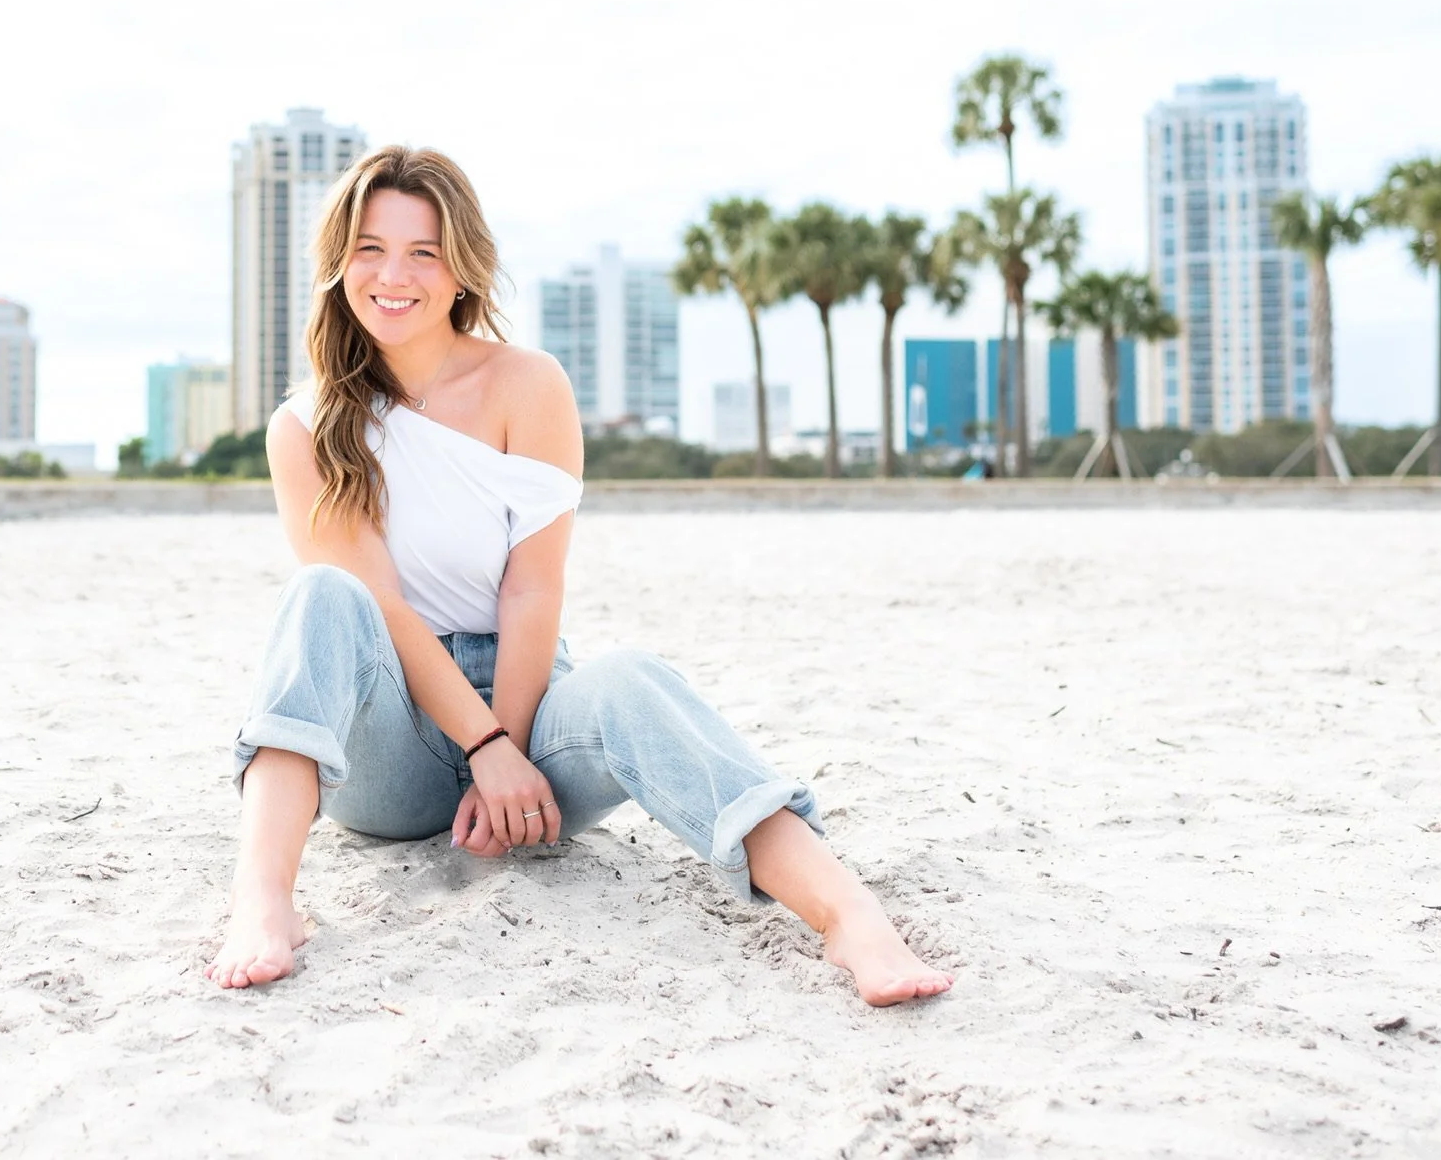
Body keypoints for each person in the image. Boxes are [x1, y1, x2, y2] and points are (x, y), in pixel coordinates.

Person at [208, 146, 953, 1007]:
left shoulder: (528, 384)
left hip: (529, 709)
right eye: (370, 249)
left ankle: (847, 914)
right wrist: (480, 751)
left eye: (423, 250)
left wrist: (512, 750)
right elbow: (380, 607)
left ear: (461, 268)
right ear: (339, 265)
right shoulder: (304, 424)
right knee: (321, 596)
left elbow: (532, 588)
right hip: (393, 743)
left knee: (631, 675)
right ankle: (262, 901)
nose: (393, 275)